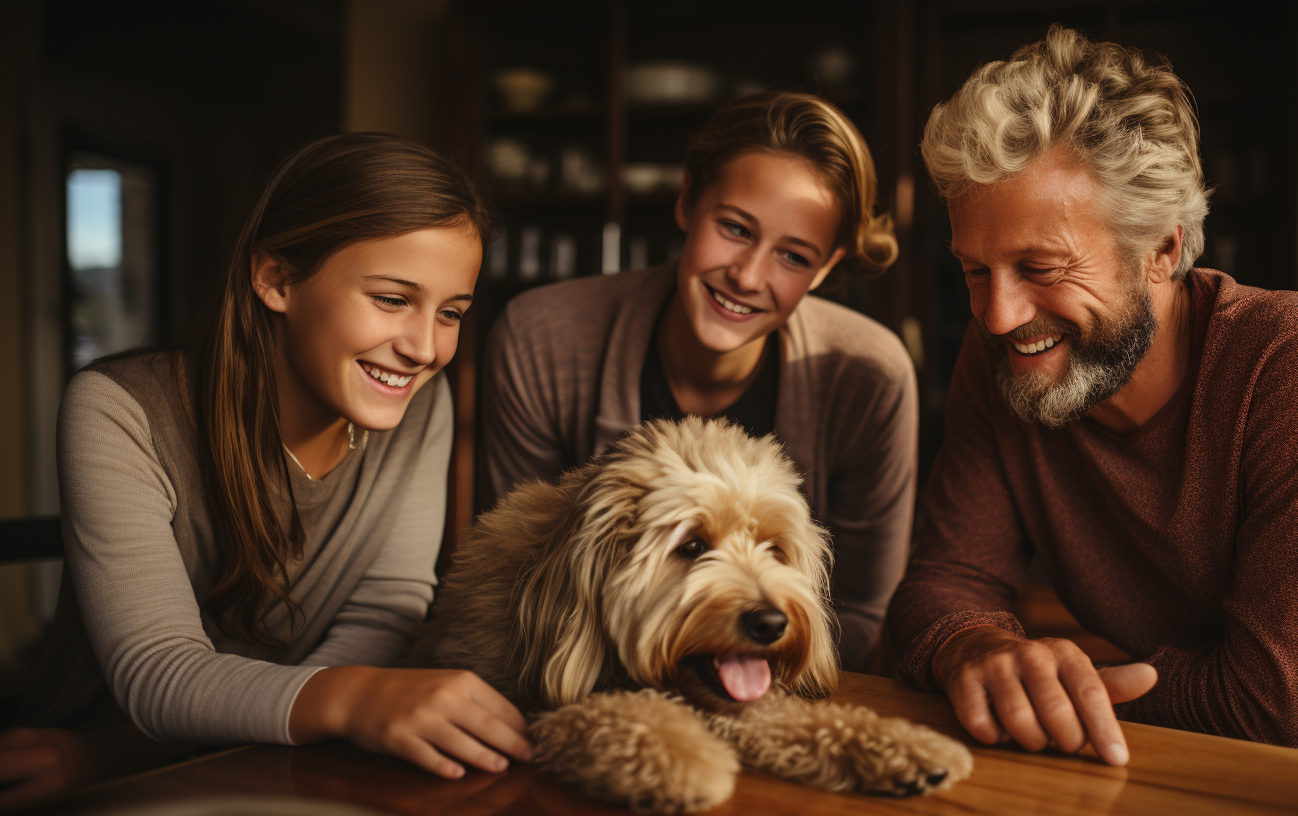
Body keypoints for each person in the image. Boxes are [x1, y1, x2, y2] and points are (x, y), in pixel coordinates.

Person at [889, 26, 1298, 769]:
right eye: (974, 270)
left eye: (1041, 266)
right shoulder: (1006, 355)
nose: (997, 315)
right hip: (1155, 769)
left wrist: (1061, 694)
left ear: (1161, 249)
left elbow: (1285, 720)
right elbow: (944, 585)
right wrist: (980, 650)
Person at [0, 133, 531, 807]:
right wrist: (355, 697)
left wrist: (332, 708)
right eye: (393, 299)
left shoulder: (419, 405)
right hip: (100, 764)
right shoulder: (119, 410)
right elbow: (157, 675)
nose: (424, 349)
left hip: (265, 760)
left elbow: (385, 610)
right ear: (275, 279)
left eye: (451, 313)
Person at [482, 91, 916, 672]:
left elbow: (860, 613)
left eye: (793, 256)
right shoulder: (540, 338)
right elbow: (513, 577)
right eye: (735, 227)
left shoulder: (872, 376)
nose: (747, 276)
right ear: (687, 201)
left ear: (828, 268)